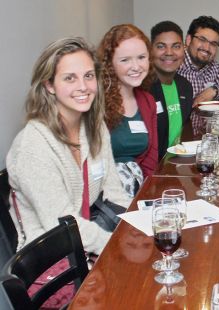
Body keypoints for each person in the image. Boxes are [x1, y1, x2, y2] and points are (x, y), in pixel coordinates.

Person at [6, 37, 131, 255]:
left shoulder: (95, 127)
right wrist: (118, 247)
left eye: (88, 76)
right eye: (70, 78)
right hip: (52, 260)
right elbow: (62, 226)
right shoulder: (32, 146)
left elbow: (114, 193)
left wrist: (139, 229)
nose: (83, 87)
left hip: (88, 240)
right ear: (49, 85)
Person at [98, 24, 158, 196]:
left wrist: (146, 198)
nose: (136, 66)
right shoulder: (95, 102)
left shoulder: (148, 102)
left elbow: (150, 161)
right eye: (125, 60)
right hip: (103, 197)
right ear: (110, 63)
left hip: (138, 194)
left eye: (141, 57)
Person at [176, 16, 219, 131]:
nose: (207, 48)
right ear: (188, 40)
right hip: (176, 141)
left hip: (205, 137)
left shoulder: (213, 66)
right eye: (202, 39)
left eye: (213, 44)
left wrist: (214, 90)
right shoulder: (174, 64)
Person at [150, 21, 193, 160]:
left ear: (184, 50)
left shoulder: (185, 86)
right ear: (151, 50)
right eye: (161, 46)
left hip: (177, 166)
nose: (169, 53)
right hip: (152, 173)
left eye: (176, 46)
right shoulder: (143, 89)